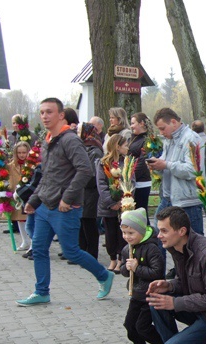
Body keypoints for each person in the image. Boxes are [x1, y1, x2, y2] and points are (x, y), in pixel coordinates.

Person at [17, 97, 115, 306]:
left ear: (61, 115)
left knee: (71, 251)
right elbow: (47, 174)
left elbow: (85, 170)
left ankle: (104, 276)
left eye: (49, 112)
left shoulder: (70, 139)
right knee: (40, 249)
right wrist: (34, 200)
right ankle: (41, 292)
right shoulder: (48, 139)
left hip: (65, 207)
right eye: (42, 112)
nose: (44, 116)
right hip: (45, 205)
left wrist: (67, 197)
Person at [147, 206, 206, 344]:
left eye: (164, 231)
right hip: (197, 309)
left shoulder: (205, 253)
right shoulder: (176, 247)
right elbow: (185, 281)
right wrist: (169, 285)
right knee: (155, 301)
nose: (159, 236)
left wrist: (175, 303)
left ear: (181, 231)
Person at [148, 108, 205, 235]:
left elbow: (193, 171)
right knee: (158, 234)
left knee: (193, 242)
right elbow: (166, 162)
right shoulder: (169, 139)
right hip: (169, 197)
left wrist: (166, 165)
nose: (161, 133)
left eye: (162, 128)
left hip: (188, 201)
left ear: (173, 122)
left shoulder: (191, 138)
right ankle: (157, 256)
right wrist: (156, 165)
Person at [119, 208, 165, 344]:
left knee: (142, 326)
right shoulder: (127, 249)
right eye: (124, 233)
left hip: (150, 294)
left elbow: (157, 272)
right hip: (136, 293)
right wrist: (127, 268)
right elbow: (124, 271)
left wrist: (137, 268)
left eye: (131, 233)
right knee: (129, 324)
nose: (127, 237)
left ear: (141, 231)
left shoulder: (151, 248)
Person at [96, 134, 129, 274]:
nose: (128, 148)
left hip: (123, 205)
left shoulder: (127, 162)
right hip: (108, 206)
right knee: (110, 233)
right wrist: (110, 202)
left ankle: (121, 257)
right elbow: (101, 185)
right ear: (117, 146)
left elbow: (129, 181)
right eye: (125, 145)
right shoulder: (103, 163)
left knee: (122, 232)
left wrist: (122, 201)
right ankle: (113, 258)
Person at [78, 122, 103, 260]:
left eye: (79, 131)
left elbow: (94, 174)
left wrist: (79, 179)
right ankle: (82, 251)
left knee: (89, 223)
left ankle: (92, 253)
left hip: (91, 192)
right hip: (82, 192)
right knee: (81, 222)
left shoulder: (95, 150)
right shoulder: (82, 148)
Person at [128, 113, 154, 219]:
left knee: (141, 214)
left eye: (133, 123)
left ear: (142, 123)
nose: (131, 126)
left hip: (141, 182)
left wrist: (130, 176)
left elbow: (143, 162)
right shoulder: (132, 138)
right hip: (132, 180)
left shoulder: (148, 140)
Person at [7, 141, 32, 250]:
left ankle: (32, 241)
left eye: (24, 152)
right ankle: (24, 240)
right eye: (19, 153)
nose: (22, 155)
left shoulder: (32, 164)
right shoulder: (11, 165)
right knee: (19, 218)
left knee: (29, 219)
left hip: (28, 195)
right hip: (16, 195)